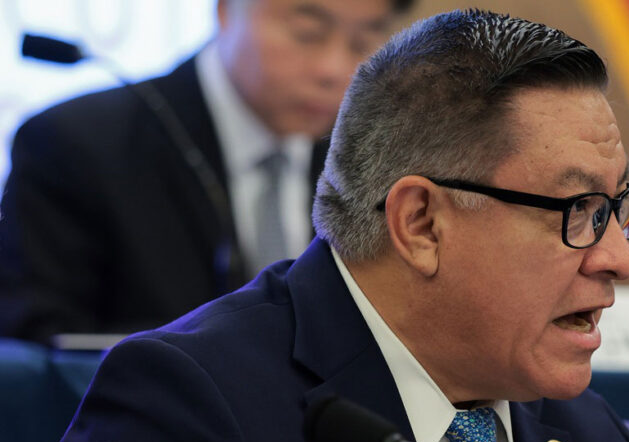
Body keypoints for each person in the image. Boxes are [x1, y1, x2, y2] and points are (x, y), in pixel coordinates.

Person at [28, 9, 629, 442]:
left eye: (614, 208)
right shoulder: (190, 412)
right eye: (578, 210)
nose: (618, 258)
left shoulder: (590, 439)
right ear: (420, 224)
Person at [0, 0, 413, 346]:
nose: (334, 69)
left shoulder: (381, 162)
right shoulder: (77, 143)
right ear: (224, 10)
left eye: (364, 40)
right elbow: (39, 352)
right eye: (307, 32)